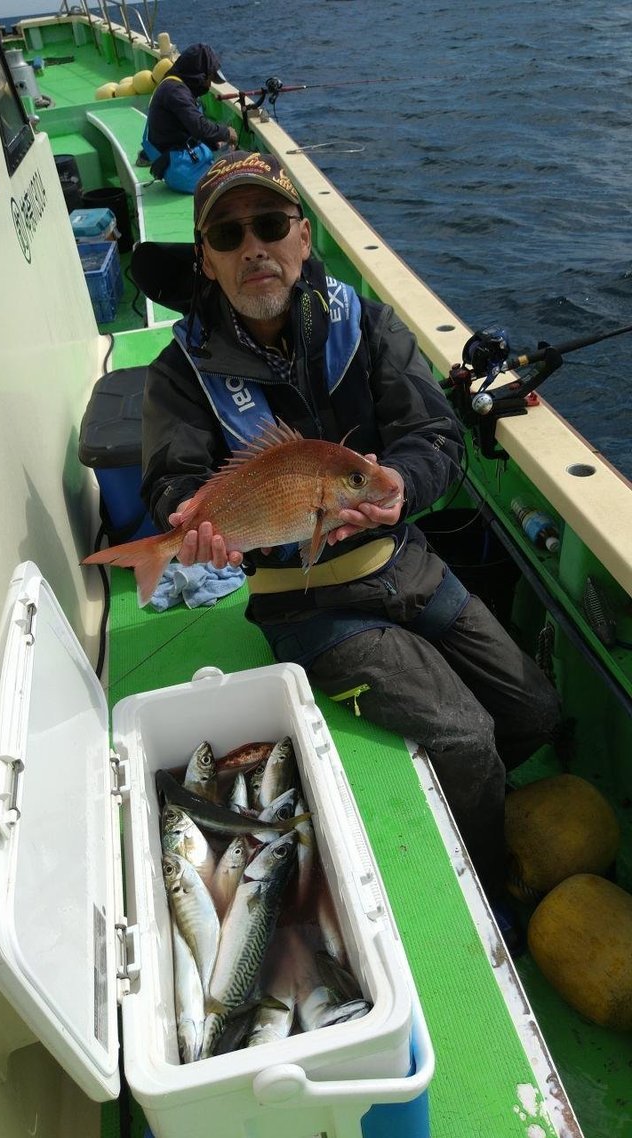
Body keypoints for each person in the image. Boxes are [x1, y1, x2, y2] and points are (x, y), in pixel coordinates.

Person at [140, 150, 561, 901]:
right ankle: (492, 901)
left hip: (405, 561)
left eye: (270, 224)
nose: (254, 248)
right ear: (204, 260)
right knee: (468, 738)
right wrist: (188, 523)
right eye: (229, 237)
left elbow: (435, 439)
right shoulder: (181, 371)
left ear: (303, 237)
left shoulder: (361, 323)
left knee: (536, 708)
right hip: (306, 603)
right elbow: (173, 480)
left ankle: (470, 811)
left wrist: (403, 486)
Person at [140, 43, 238, 193]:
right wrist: (226, 132)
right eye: (209, 78)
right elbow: (199, 127)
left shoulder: (172, 83)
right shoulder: (176, 92)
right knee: (236, 175)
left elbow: (185, 127)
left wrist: (214, 142)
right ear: (199, 74)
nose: (209, 84)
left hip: (175, 161)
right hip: (182, 171)